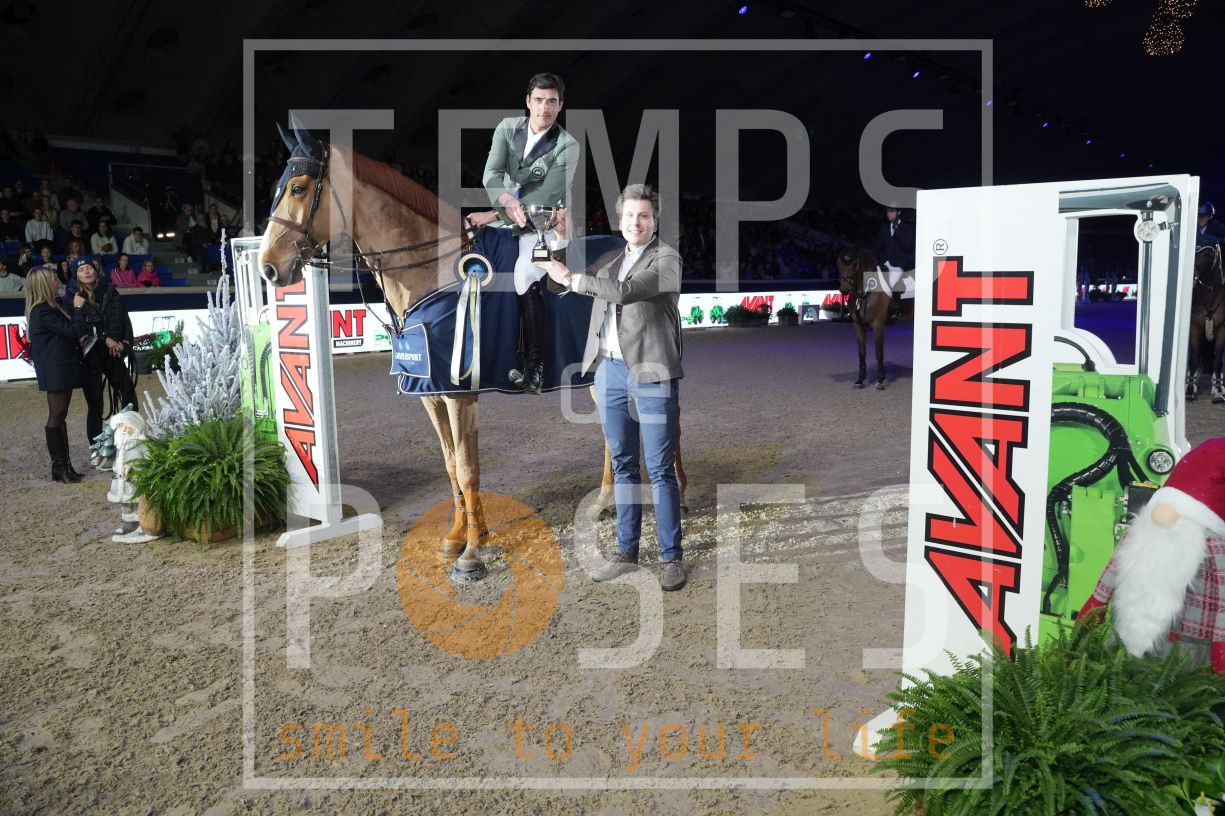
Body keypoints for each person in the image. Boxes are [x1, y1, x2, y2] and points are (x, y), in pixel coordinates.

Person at [538, 184, 686, 591]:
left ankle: (671, 557)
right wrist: (559, 243)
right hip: (609, 372)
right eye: (629, 216)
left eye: (644, 216)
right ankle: (627, 550)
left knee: (660, 469)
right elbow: (558, 286)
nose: (636, 223)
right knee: (622, 464)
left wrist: (572, 277)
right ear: (620, 221)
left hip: (652, 373)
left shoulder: (667, 259)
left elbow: (626, 292)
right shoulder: (612, 259)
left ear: (655, 222)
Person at [1080, 437, 1225, 675]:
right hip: (1179, 650)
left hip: (1185, 649)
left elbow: (1103, 588)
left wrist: (1085, 624)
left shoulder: (1145, 529)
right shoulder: (1214, 546)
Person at [482, 71, 577, 393]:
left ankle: (535, 366)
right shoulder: (507, 129)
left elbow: (546, 195)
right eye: (538, 100)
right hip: (507, 213)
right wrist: (505, 202)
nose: (544, 108)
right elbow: (491, 174)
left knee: (524, 272)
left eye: (551, 102)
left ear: (560, 105)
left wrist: (493, 212)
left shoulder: (568, 145)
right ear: (528, 101)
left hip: (545, 224)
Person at [71, 257, 137, 461]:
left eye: (89, 267)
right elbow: (81, 328)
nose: (86, 271)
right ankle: (98, 450)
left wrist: (124, 343)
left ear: (96, 270)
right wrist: (106, 339)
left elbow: (124, 320)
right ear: (76, 276)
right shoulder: (74, 298)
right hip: (90, 356)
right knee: (95, 405)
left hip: (114, 353)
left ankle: (131, 442)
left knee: (128, 395)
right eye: (81, 269)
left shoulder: (111, 291)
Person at [24, 266, 85, 482]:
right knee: (57, 415)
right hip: (55, 367)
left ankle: (63, 465)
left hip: (59, 366)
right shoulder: (42, 310)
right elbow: (73, 331)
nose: (56, 281)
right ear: (44, 284)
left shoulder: (48, 307)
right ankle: (59, 466)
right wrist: (78, 308)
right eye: (53, 279)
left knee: (60, 415)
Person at [871, 204, 915, 318]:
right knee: (871, 282)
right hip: (884, 262)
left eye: (892, 211)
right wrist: (875, 258)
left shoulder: (907, 227)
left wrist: (897, 232)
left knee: (890, 284)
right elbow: (878, 246)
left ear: (898, 212)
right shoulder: (884, 228)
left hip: (899, 263)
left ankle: (895, 308)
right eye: (888, 212)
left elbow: (908, 245)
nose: (889, 214)